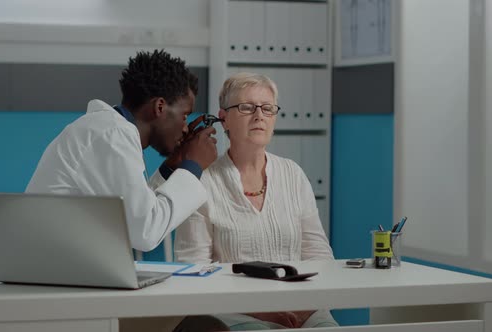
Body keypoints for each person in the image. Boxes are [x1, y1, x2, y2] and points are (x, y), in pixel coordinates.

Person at [26, 50, 227, 332]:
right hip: (61, 298)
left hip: (70, 283)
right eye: (184, 115)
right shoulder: (112, 135)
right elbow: (145, 232)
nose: (185, 127)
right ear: (159, 107)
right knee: (206, 328)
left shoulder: (106, 130)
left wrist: (173, 167)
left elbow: (136, 209)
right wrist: (193, 166)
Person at [174, 72, 338, 330]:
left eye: (267, 108)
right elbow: (193, 270)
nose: (259, 115)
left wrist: (306, 304)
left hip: (304, 309)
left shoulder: (293, 174)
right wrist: (259, 310)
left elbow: (318, 254)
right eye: (247, 107)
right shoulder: (203, 181)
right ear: (224, 118)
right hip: (234, 313)